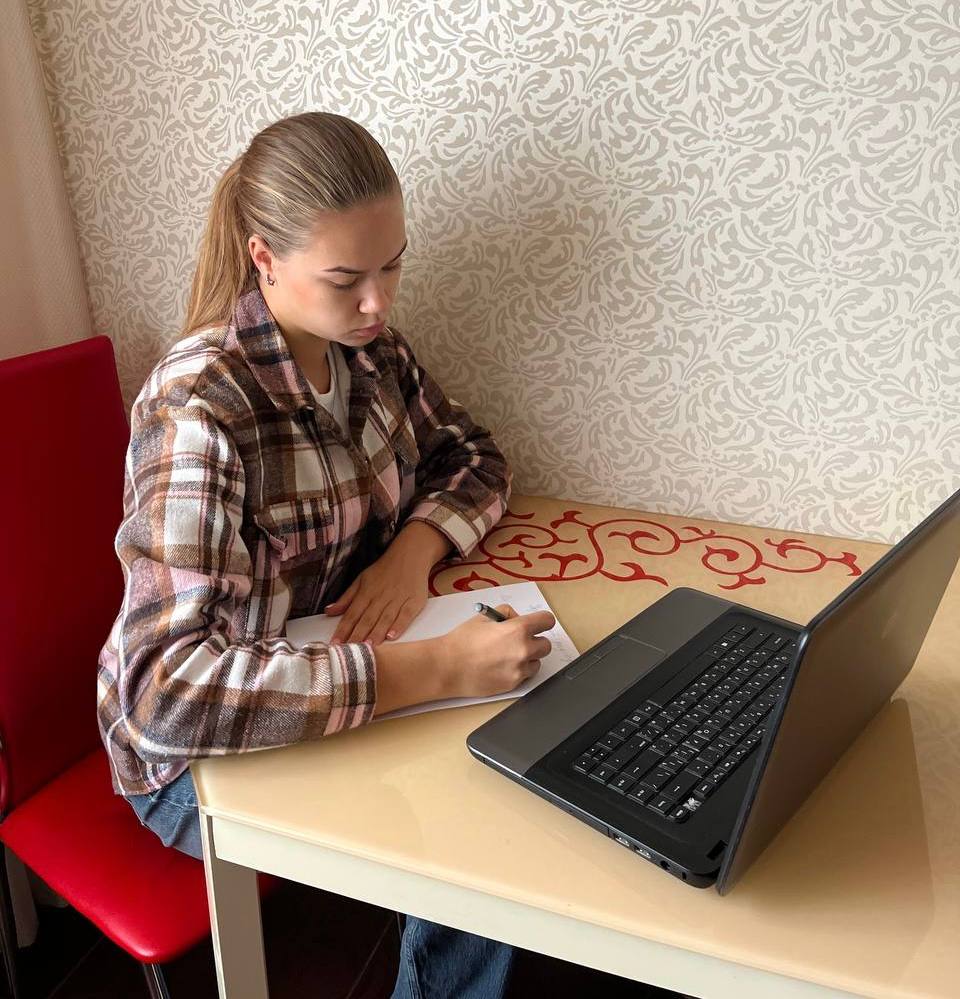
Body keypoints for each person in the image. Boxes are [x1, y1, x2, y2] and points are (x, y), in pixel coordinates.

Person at [97, 110, 556, 998]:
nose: (380, 302)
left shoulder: (372, 355)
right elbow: (165, 694)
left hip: (338, 657)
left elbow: (475, 458)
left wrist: (411, 552)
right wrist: (432, 669)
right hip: (196, 757)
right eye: (347, 279)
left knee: (513, 767)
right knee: (471, 840)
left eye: (393, 265)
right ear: (264, 258)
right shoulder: (199, 407)